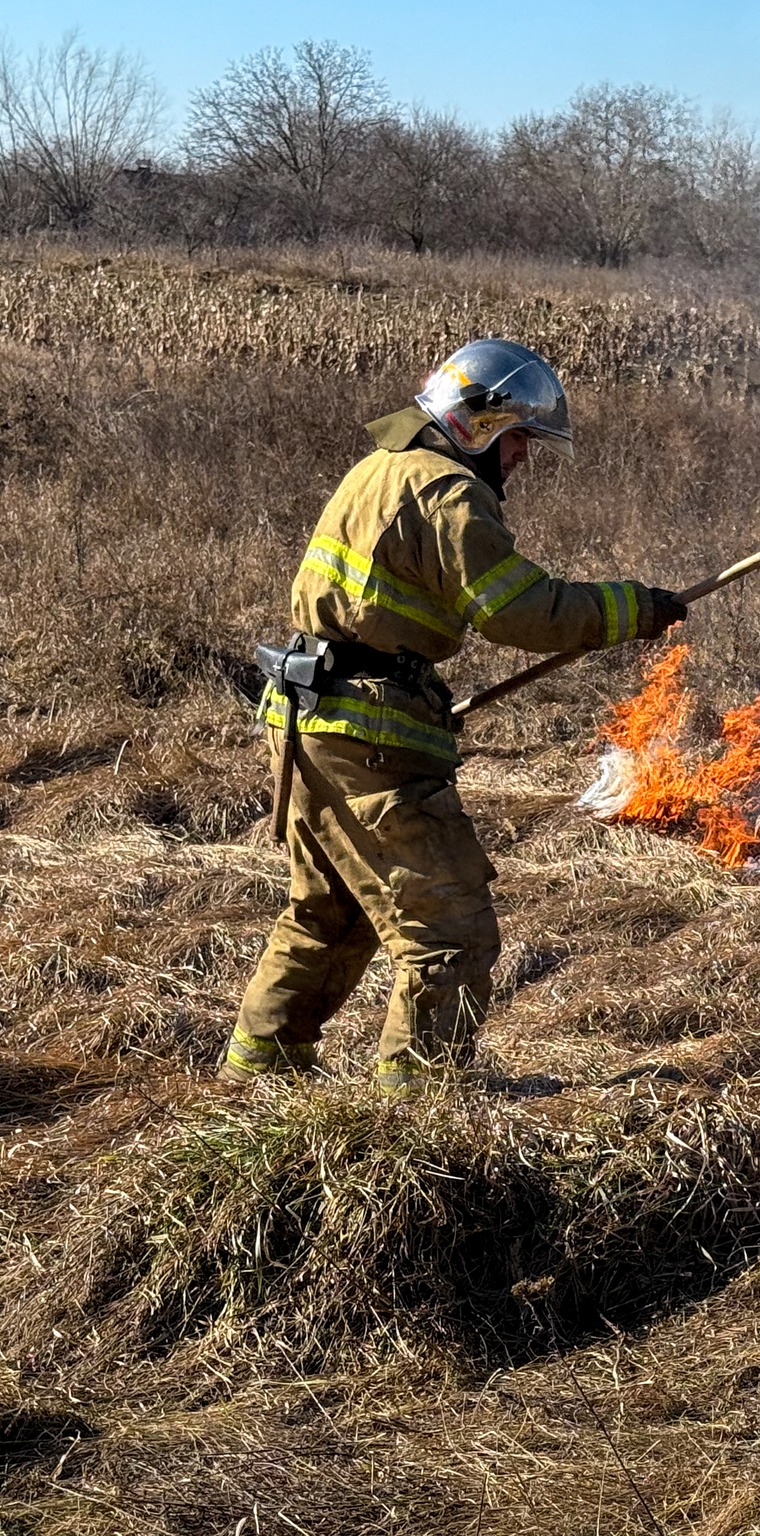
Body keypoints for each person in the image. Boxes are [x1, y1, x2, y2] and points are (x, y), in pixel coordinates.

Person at [222, 339, 690, 1094]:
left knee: (329, 913)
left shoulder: (378, 469)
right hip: (369, 738)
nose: (522, 461)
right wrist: (631, 608)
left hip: (312, 719)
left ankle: (252, 1083)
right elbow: (522, 610)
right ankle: (415, 1115)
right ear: (480, 422)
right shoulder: (448, 492)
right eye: (518, 441)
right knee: (451, 932)